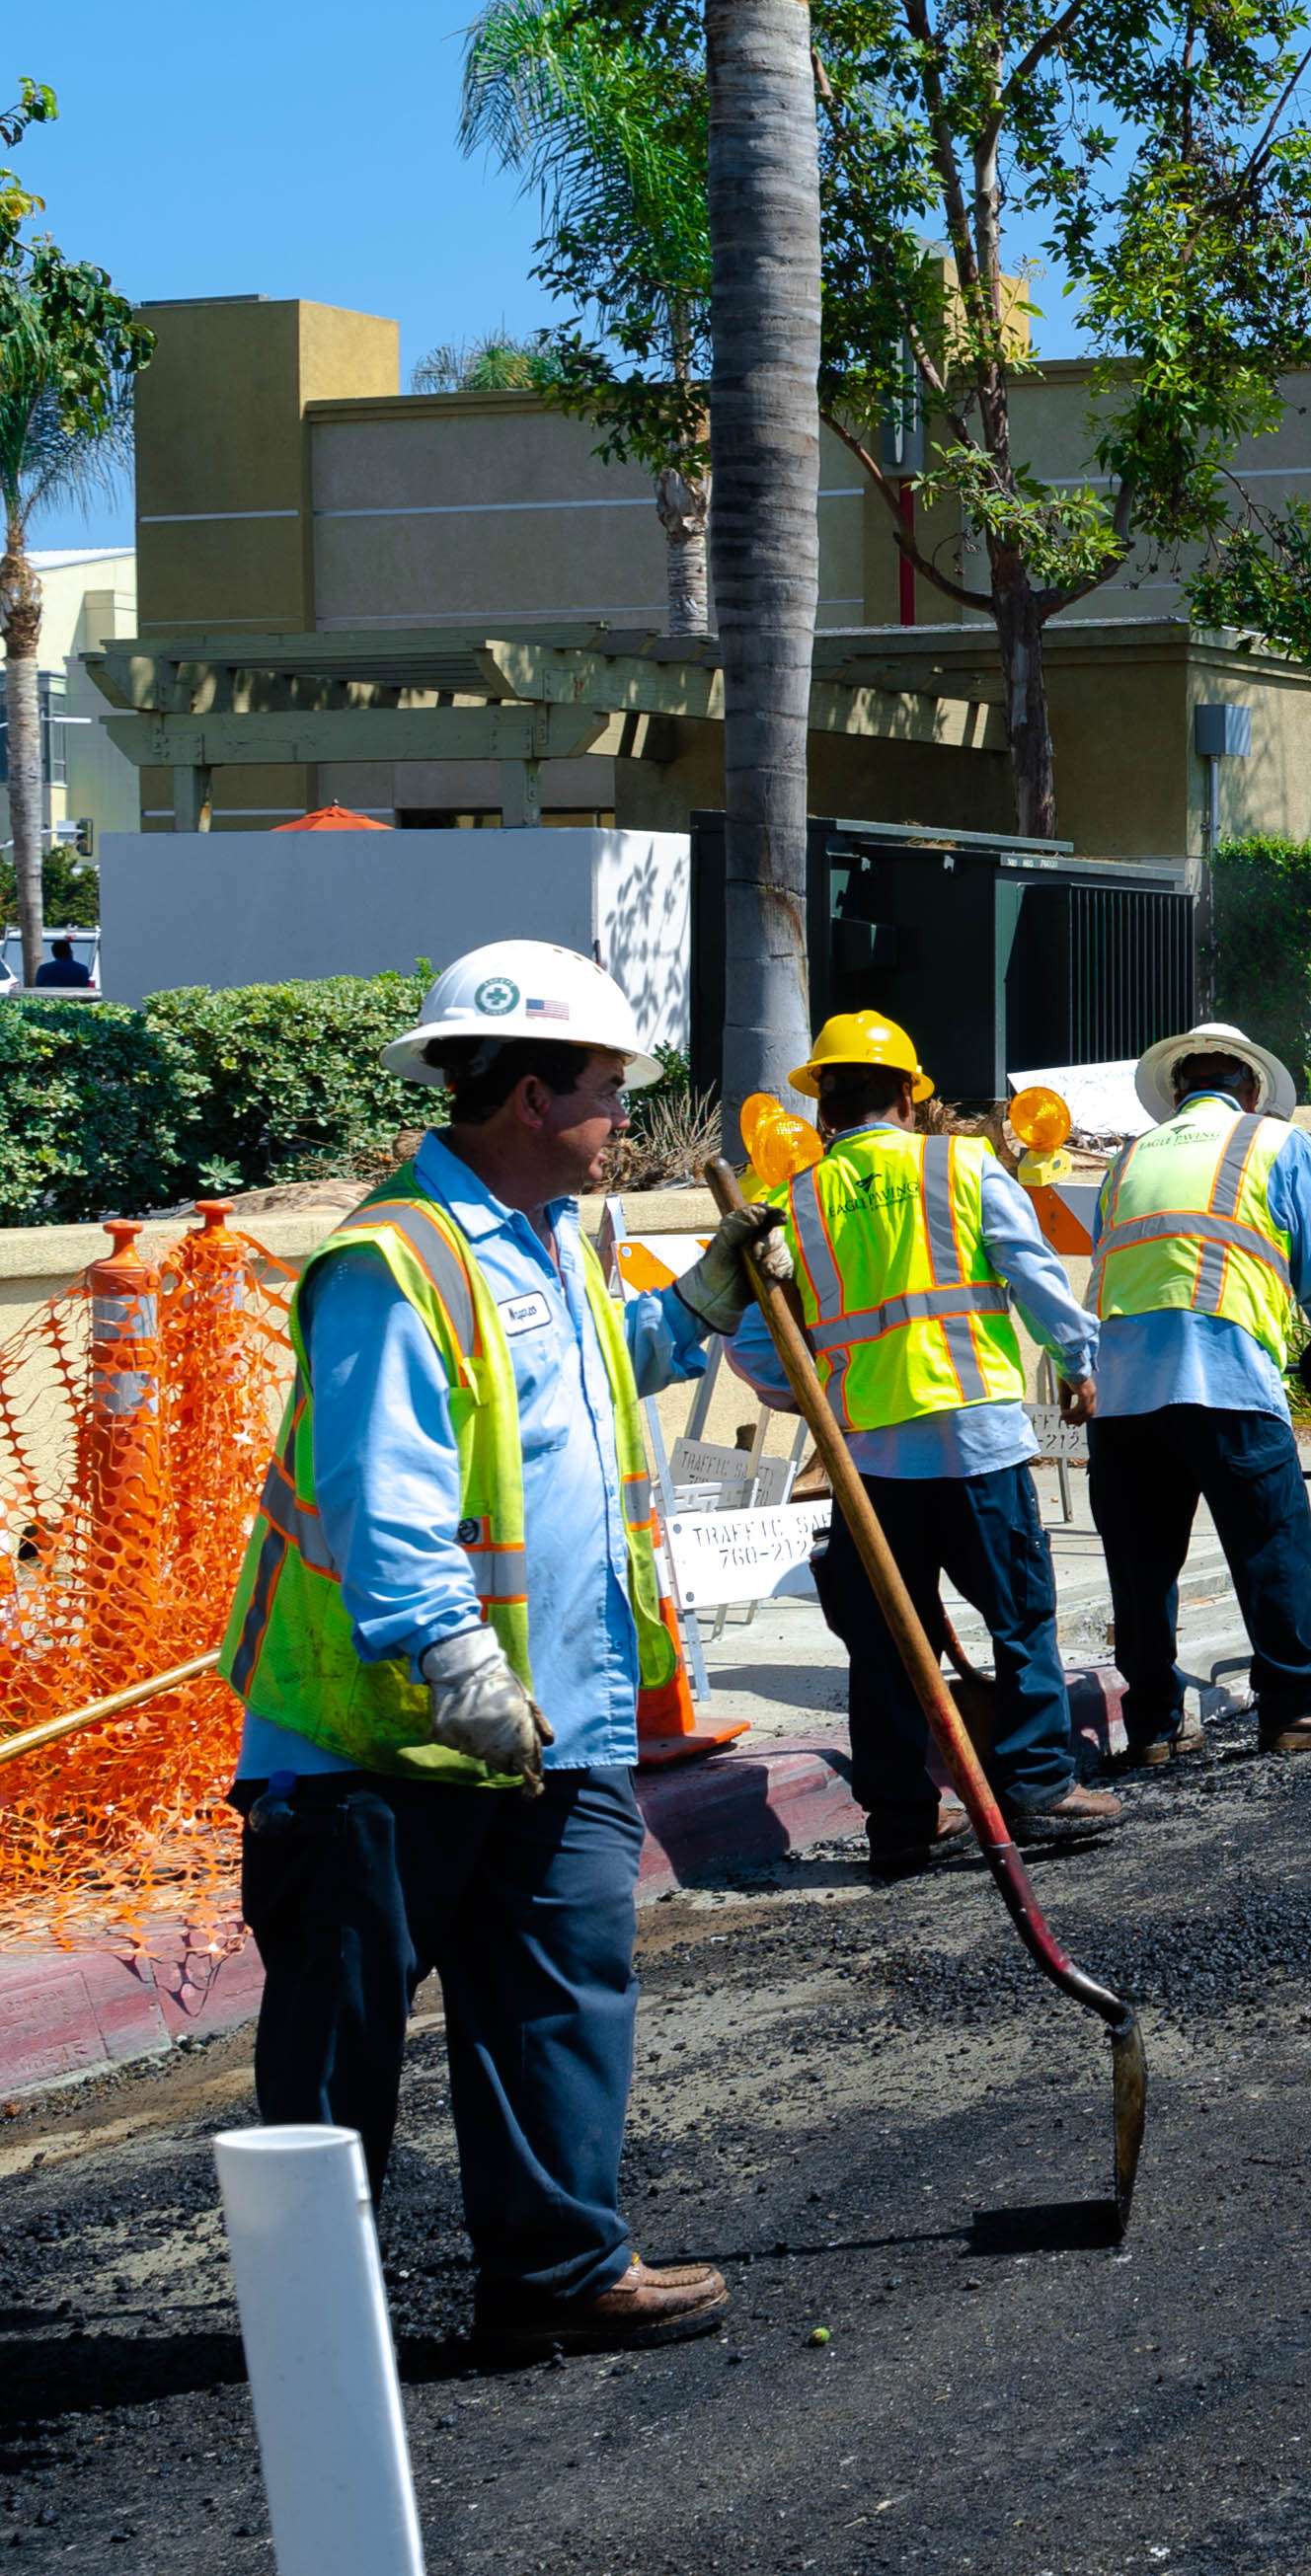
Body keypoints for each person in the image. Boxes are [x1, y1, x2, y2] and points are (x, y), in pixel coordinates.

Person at [217, 940, 778, 2352]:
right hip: (378, 1737)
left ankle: (559, 2266)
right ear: (531, 1094)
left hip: (558, 1722)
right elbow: (383, 1501)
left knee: (556, 1998)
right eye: (606, 1087)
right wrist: (461, 1668)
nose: (623, 1117)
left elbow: (594, 1368)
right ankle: (309, 2320)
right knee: (338, 2045)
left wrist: (703, 1300)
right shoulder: (390, 1261)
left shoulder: (553, 1238)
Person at [727, 1010, 1116, 1875]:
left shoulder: (795, 1201)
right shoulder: (962, 1164)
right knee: (1018, 1618)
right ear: (909, 1093)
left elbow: (754, 1344)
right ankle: (1039, 1786)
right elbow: (1033, 1273)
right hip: (976, 1439)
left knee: (886, 1643)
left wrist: (818, 1394)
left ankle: (902, 1820)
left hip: (868, 1461)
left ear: (823, 1103)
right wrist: (1079, 1359)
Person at [1087, 1021, 1311, 1760]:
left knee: (1143, 1568)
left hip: (1122, 1398)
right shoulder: (1274, 1142)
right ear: (1250, 1089)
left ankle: (1153, 1723)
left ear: (1179, 1089)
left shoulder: (1124, 1161)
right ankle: (1296, 1703)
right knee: (1270, 1544)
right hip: (1226, 1380)